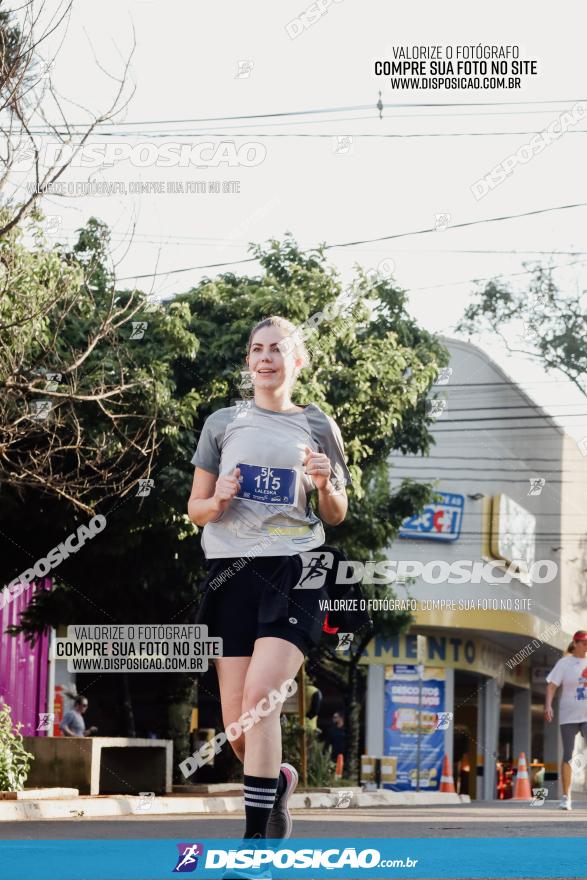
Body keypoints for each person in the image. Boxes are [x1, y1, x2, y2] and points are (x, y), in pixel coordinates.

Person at [187, 315, 353, 854]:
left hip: (297, 567)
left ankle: (256, 840)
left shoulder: (320, 425)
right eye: (257, 350)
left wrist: (326, 485)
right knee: (238, 726)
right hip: (231, 571)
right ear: (248, 361)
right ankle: (276, 782)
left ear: (297, 361)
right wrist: (220, 500)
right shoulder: (221, 424)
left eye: (277, 350)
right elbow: (196, 509)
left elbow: (337, 512)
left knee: (263, 699)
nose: (265, 358)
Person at [545, 629, 587, 810]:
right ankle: (566, 796)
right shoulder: (564, 663)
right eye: (584, 643)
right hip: (568, 716)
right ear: (576, 643)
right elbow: (552, 686)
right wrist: (548, 705)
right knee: (568, 755)